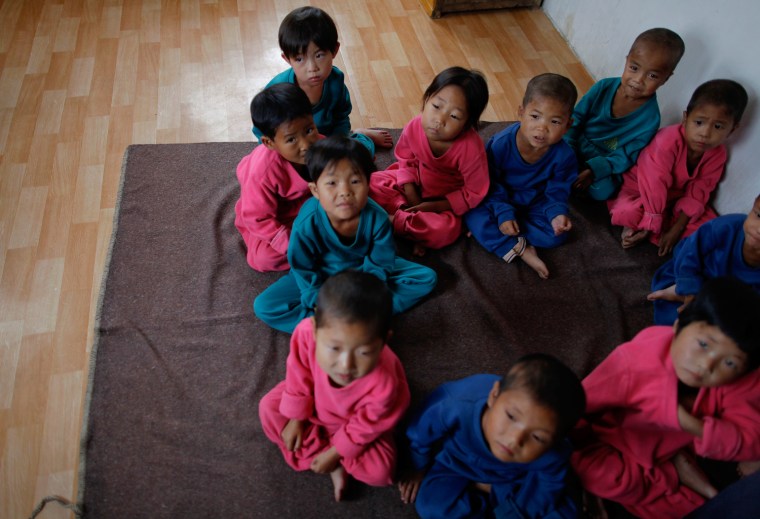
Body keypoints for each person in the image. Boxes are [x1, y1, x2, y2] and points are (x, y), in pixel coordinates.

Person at [571, 277, 760, 519]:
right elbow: (577, 407)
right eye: (703, 344)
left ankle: (681, 473)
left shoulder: (739, 379)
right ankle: (675, 474)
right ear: (678, 326)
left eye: (730, 362)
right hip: (611, 442)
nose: (706, 365)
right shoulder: (634, 362)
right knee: (597, 474)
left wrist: (688, 424)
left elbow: (751, 440)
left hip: (666, 446)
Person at [253, 135, 437, 333]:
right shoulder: (306, 223)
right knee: (266, 306)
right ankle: (332, 324)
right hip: (321, 275)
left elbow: (381, 262)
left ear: (368, 184)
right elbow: (303, 268)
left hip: (362, 272)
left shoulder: (377, 218)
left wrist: (367, 291)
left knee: (425, 278)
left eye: (355, 181)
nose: (345, 192)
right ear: (315, 190)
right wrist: (316, 299)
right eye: (332, 183)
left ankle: (353, 316)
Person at [259, 270, 411, 502]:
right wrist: (297, 418)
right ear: (316, 327)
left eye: (364, 352)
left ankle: (330, 457)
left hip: (353, 425)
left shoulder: (385, 383)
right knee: (268, 408)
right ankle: (336, 463)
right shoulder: (305, 333)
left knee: (382, 471)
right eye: (334, 348)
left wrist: (336, 452)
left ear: (383, 342)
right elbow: (299, 375)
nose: (346, 365)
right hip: (313, 404)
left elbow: (368, 425)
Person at [398, 354, 586, 518]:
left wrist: (519, 512)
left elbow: (549, 484)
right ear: (494, 395)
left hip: (518, 478)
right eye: (511, 416)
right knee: (431, 504)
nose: (515, 440)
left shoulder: (554, 451)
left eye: (537, 437)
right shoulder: (456, 404)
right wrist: (418, 466)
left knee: (564, 511)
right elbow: (421, 429)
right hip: (458, 464)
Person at [608, 79, 748, 255]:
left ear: (732, 130)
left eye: (718, 126)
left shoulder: (717, 154)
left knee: (711, 229)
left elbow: (699, 190)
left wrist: (677, 229)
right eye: (699, 122)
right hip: (642, 191)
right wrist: (651, 220)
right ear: (685, 118)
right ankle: (647, 227)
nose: (705, 133)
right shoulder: (667, 141)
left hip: (676, 201)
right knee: (627, 212)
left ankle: (659, 230)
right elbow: (654, 183)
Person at [465, 73, 578, 279]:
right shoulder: (501, 144)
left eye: (554, 121)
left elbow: (557, 190)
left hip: (534, 202)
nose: (542, 128)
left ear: (568, 125)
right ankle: (520, 248)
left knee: (559, 235)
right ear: (521, 112)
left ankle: (498, 234)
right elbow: (489, 184)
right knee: (471, 211)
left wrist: (556, 215)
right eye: (535, 116)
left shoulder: (565, 155)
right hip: (498, 198)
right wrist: (503, 214)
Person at [369, 66, 490, 256]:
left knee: (444, 232)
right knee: (371, 183)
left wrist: (435, 206)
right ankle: (412, 227)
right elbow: (405, 159)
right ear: (426, 100)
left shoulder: (471, 148)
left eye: (454, 116)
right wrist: (411, 195)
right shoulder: (415, 125)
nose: (439, 120)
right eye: (436, 106)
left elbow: (475, 191)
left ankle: (391, 221)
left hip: (443, 201)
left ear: (468, 124)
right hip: (413, 186)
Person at [253, 6, 391, 157]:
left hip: (327, 140)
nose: (312, 68)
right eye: (299, 59)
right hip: (295, 146)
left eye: (319, 55)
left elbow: (341, 117)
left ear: (334, 50)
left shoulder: (336, 81)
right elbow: (261, 129)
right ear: (287, 59)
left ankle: (360, 136)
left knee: (355, 160)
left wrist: (337, 142)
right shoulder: (277, 91)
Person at [565, 28, 685, 201]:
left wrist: (594, 170)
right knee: (548, 148)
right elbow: (576, 119)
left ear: (666, 78)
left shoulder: (651, 119)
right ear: (627, 60)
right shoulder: (603, 87)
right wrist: (568, 148)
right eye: (634, 68)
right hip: (575, 145)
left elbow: (627, 154)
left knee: (605, 191)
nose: (638, 79)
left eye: (652, 75)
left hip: (604, 160)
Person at [234, 83, 320, 272]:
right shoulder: (263, 172)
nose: (306, 145)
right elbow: (259, 218)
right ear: (269, 143)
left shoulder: (321, 145)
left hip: (310, 204)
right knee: (263, 259)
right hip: (271, 218)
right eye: (291, 139)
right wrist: (291, 245)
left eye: (309, 130)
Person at [648, 194, 760, 325]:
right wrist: (690, 289)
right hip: (694, 272)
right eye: (758, 216)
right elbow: (689, 253)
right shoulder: (727, 226)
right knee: (673, 319)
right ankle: (680, 291)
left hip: (724, 298)